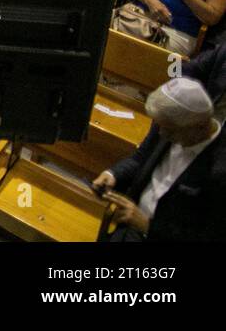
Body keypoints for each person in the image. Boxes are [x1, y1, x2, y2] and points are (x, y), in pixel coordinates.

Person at [92, 77, 225, 241]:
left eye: (169, 130)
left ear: (199, 127)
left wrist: (147, 225)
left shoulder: (220, 170)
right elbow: (141, 159)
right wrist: (112, 175)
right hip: (129, 229)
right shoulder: (168, 124)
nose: (162, 134)